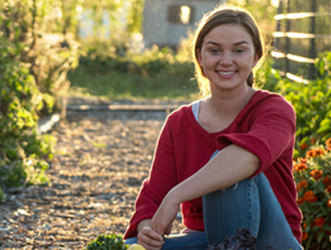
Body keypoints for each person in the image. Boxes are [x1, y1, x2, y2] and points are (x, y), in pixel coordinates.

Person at [123, 6, 303, 250]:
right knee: (128, 247)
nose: (226, 60)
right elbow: (153, 197)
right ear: (200, 57)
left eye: (239, 50)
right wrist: (147, 232)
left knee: (230, 167)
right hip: (204, 241)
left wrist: (175, 196)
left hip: (270, 242)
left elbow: (247, 158)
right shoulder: (179, 123)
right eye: (214, 50)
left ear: (255, 58)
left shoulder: (275, 110)